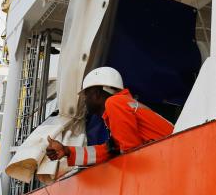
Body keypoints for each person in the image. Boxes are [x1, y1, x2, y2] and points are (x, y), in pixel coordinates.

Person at [45, 67, 174, 167]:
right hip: (172, 155)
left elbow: (131, 153)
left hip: (171, 157)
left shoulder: (114, 103)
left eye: (86, 95)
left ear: (96, 94)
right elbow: (108, 151)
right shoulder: (125, 105)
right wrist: (67, 151)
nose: (84, 100)